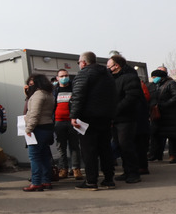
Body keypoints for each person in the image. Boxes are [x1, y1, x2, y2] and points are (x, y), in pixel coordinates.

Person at [69, 52, 118, 190]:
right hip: (105, 118)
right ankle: (109, 179)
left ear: (84, 62)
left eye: (79, 62)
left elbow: (78, 97)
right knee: (105, 149)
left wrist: (74, 115)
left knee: (89, 150)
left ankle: (91, 181)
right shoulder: (108, 75)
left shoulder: (83, 74)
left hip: (88, 119)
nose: (79, 64)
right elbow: (114, 96)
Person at [106, 54, 146, 183]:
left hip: (127, 118)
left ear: (116, 66)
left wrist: (115, 110)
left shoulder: (130, 78)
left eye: (109, 66)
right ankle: (126, 170)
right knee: (119, 145)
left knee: (127, 145)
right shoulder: (112, 79)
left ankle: (133, 172)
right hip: (116, 119)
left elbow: (131, 98)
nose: (108, 69)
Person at [22, 74, 56, 192]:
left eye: (31, 84)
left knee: (34, 157)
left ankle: (36, 182)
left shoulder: (38, 95)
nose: (30, 86)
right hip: (47, 127)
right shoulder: (49, 94)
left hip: (38, 129)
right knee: (45, 156)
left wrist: (28, 129)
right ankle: (46, 181)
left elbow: (35, 114)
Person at [148, 69, 176, 163]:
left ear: (160, 77)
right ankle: (156, 154)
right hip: (162, 115)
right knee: (157, 135)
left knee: (173, 137)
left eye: (154, 77)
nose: (153, 79)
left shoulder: (171, 84)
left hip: (172, 115)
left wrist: (164, 104)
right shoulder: (157, 85)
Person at [53, 69, 82, 181]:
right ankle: (63, 169)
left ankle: (76, 169)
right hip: (58, 122)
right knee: (61, 147)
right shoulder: (55, 90)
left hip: (72, 122)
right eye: (62, 76)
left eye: (66, 75)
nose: (64, 77)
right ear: (57, 78)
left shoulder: (74, 89)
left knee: (74, 146)